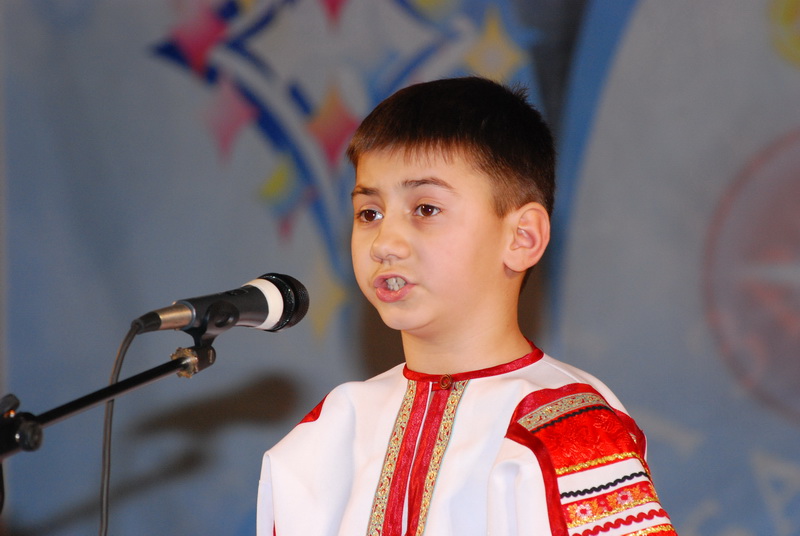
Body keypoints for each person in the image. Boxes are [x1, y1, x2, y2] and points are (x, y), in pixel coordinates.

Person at [256, 76, 677, 535]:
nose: (384, 243)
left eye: (426, 209)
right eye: (369, 213)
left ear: (522, 238)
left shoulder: (568, 428)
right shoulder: (333, 431)